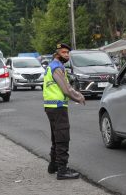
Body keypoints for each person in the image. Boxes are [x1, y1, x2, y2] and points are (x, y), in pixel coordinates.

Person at [43, 43, 85, 180]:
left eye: (68, 53)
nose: (67, 55)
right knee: (62, 137)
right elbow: (66, 89)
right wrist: (79, 97)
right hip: (58, 107)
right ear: (57, 54)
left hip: (51, 106)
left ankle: (53, 166)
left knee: (56, 137)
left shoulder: (52, 66)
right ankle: (62, 170)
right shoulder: (57, 68)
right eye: (64, 52)